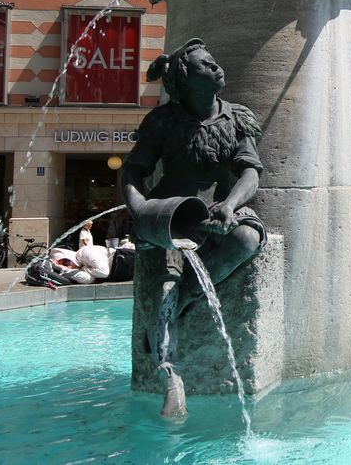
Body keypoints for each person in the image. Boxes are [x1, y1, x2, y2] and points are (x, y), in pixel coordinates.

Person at [121, 39, 266, 418]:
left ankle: (175, 310)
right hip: (172, 213)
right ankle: (171, 376)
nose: (217, 69)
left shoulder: (237, 117)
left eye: (214, 63)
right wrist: (142, 212)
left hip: (219, 213)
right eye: (207, 65)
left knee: (248, 237)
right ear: (185, 80)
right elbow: (134, 171)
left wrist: (231, 205)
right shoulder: (163, 120)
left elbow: (251, 169)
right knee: (166, 282)